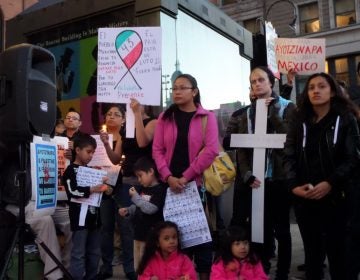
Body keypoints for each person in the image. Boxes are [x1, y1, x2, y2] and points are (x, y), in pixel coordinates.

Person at [283, 72, 360, 280]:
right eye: (311, 87)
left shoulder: (345, 119)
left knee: (341, 259)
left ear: (333, 91)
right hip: (306, 200)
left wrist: (330, 183)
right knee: (313, 258)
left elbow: (353, 158)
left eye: (322, 86)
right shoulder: (299, 121)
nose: (316, 90)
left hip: (338, 199)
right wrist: (293, 186)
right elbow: (288, 155)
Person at [229, 66, 295, 279]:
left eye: (260, 80)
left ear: (271, 82)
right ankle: (261, 271)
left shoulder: (288, 107)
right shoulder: (247, 113)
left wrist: (272, 113)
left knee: (282, 231)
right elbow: (241, 147)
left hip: (280, 178)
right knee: (261, 230)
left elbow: (289, 141)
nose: (256, 85)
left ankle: (282, 273)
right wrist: (247, 174)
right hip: (256, 180)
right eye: (252, 82)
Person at [152, 73, 219, 279]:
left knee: (202, 237)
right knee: (174, 238)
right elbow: (157, 150)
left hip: (196, 185)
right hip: (169, 186)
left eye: (182, 87)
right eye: (174, 88)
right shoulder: (165, 117)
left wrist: (187, 176)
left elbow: (211, 150)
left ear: (194, 92)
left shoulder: (207, 117)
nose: (177, 92)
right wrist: (168, 177)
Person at [99, 98, 157, 280]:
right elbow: (116, 158)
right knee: (119, 224)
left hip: (145, 182)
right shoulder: (125, 127)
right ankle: (108, 267)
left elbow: (142, 142)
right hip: (126, 181)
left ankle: (131, 269)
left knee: (131, 228)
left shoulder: (153, 122)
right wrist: (106, 144)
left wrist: (137, 113)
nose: (130, 104)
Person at [0, 143, 64, 280]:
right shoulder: (10, 151)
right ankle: (54, 274)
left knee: (57, 220)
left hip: (40, 200)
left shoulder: (41, 146)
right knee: (42, 219)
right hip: (14, 202)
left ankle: (60, 271)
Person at [62, 133, 112, 280]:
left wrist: (106, 190)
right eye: (88, 152)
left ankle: (91, 276)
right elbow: (72, 191)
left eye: (93, 152)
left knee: (95, 251)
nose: (91, 155)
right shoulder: (70, 171)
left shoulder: (93, 171)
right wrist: (92, 189)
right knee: (78, 253)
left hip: (95, 218)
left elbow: (100, 193)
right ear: (77, 150)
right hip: (79, 218)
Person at [119, 156, 167, 271]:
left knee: (150, 268)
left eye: (140, 176)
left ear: (151, 172)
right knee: (139, 268)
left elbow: (150, 209)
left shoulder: (160, 189)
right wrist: (128, 210)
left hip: (151, 238)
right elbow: (138, 207)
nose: (139, 180)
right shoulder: (142, 188)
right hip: (138, 235)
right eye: (137, 177)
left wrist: (135, 197)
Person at [97, 104, 125, 280]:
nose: (112, 117)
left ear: (123, 119)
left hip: (123, 188)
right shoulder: (98, 139)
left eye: (116, 114)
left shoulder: (127, 138)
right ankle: (106, 267)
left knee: (125, 228)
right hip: (104, 189)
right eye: (109, 114)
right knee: (105, 229)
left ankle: (130, 266)